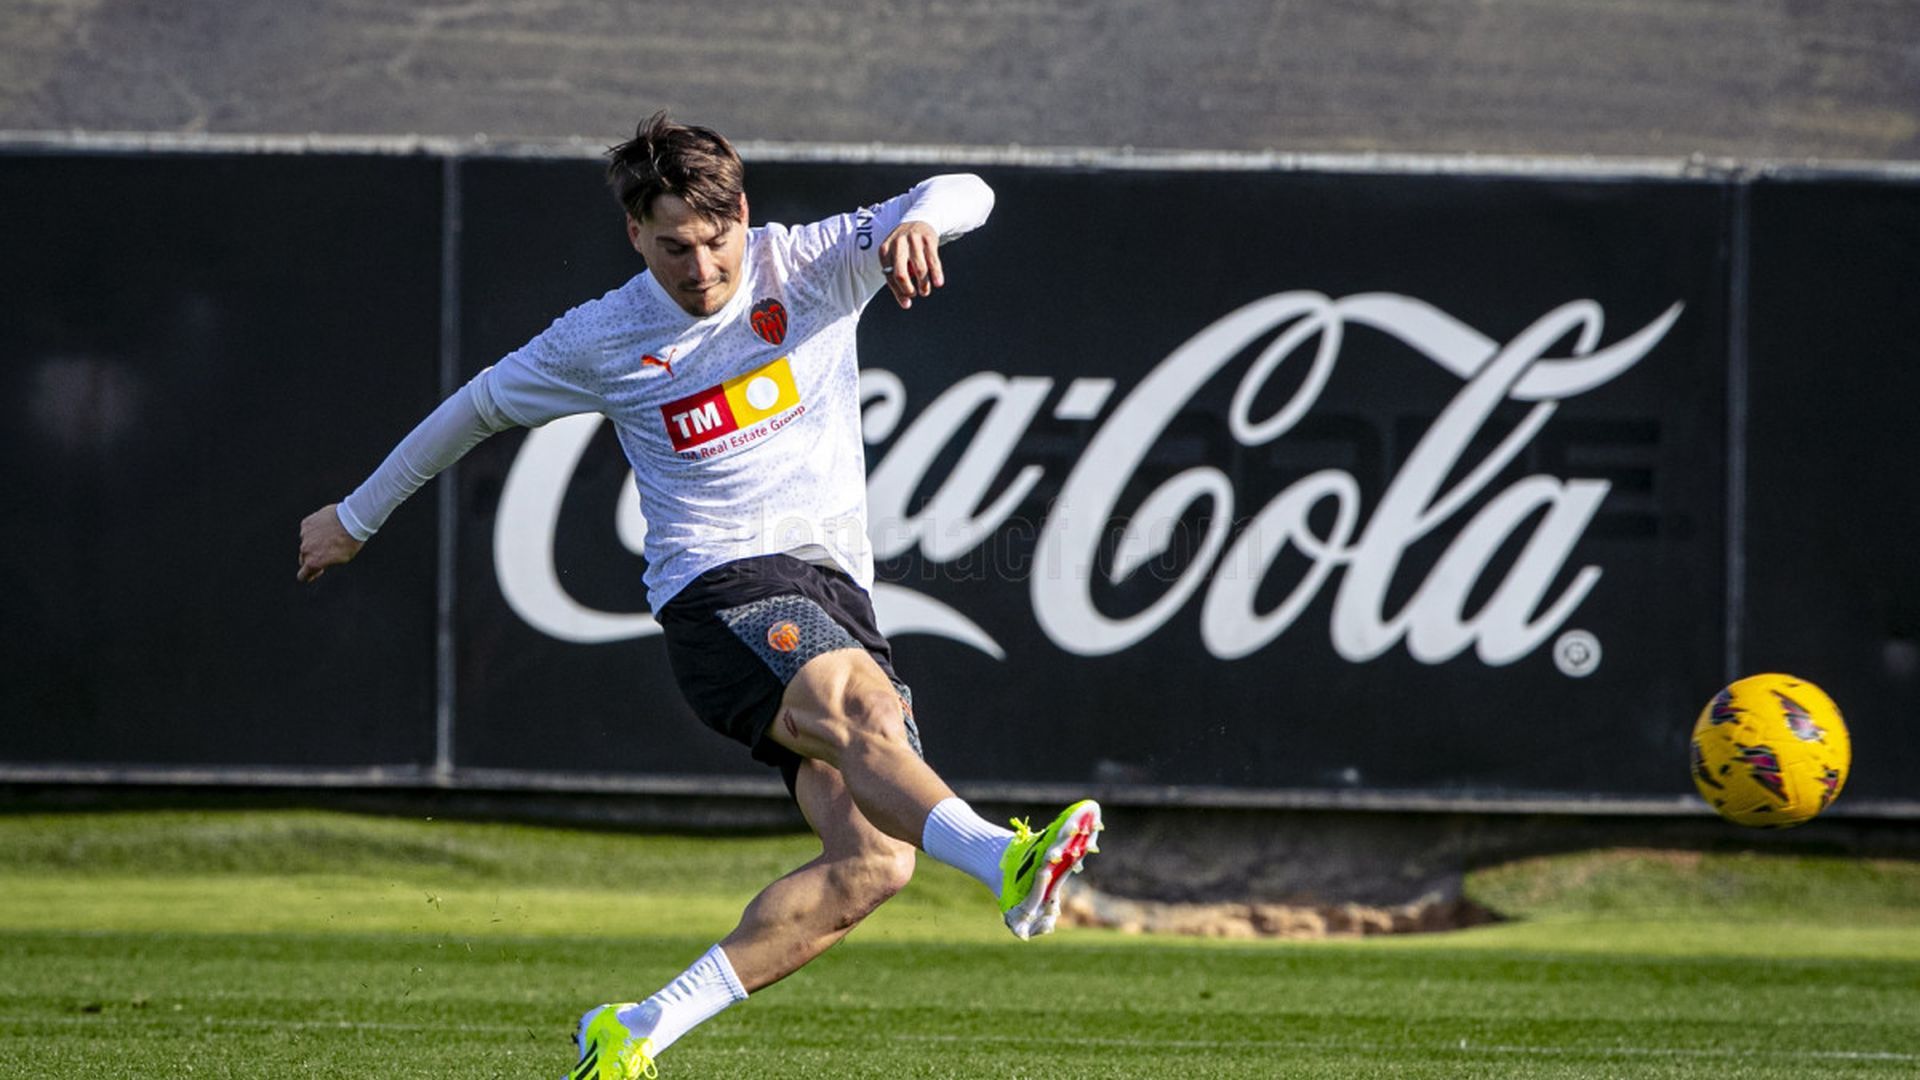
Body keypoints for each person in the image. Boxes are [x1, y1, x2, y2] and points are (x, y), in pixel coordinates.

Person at [295, 111, 1104, 1080]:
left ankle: (636, 1029)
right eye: (672, 246)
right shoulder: (601, 336)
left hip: (838, 593)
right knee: (859, 710)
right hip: (718, 593)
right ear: (635, 236)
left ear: (743, 218)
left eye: (715, 241)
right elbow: (469, 413)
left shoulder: (806, 263)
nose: (700, 269)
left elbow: (970, 191)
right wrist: (356, 515)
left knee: (876, 862)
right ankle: (1009, 862)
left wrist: (919, 220)